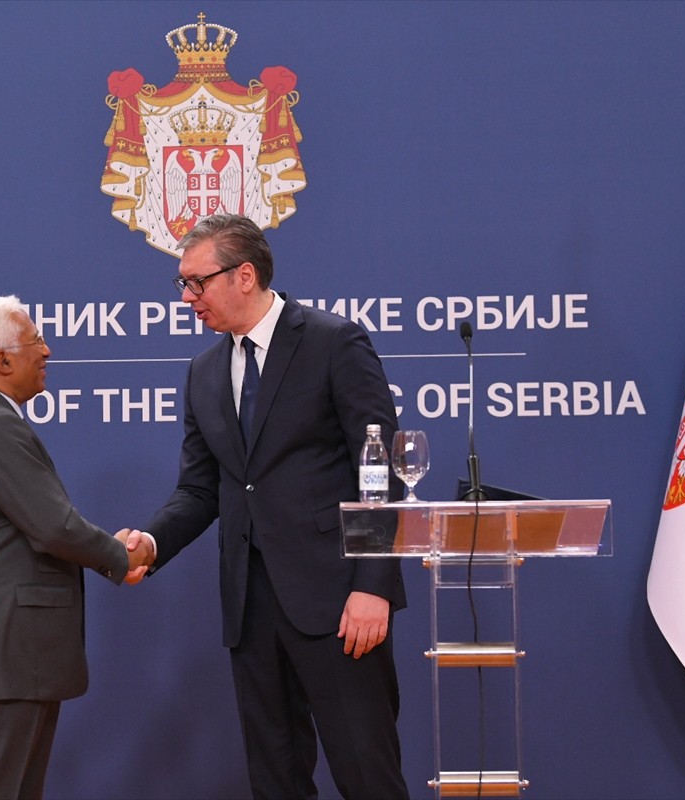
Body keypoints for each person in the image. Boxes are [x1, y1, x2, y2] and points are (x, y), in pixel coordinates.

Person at [125, 214, 409, 799]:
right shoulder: (203, 372)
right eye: (181, 284)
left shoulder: (334, 341)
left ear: (245, 275)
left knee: (367, 774)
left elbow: (379, 471)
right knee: (275, 781)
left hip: (339, 603)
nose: (186, 298)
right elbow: (200, 490)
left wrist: (373, 584)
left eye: (196, 282)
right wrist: (152, 543)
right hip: (250, 609)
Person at [0, 295, 149, 800]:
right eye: (35, 343)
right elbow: (53, 528)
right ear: (2, 361)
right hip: (4, 648)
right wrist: (120, 556)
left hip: (7, 648)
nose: (47, 351)